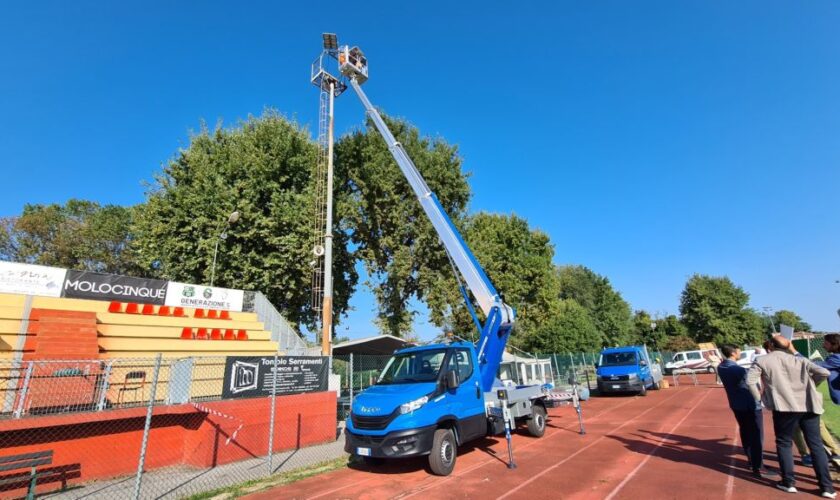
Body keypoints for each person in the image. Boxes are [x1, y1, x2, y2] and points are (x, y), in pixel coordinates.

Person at [748, 335, 835, 497]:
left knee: (784, 443)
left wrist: (760, 399)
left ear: (771, 346)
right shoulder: (800, 360)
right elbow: (824, 372)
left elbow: (750, 381)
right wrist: (811, 386)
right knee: (816, 445)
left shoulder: (762, 360)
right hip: (809, 406)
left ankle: (789, 483)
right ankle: (827, 488)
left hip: (784, 408)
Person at [717, 344, 777, 478]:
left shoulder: (721, 367)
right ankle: (758, 467)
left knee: (746, 433)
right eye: (739, 351)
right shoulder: (740, 370)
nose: (740, 353)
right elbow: (753, 384)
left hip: (736, 405)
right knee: (756, 436)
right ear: (733, 353)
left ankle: (752, 462)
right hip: (750, 406)